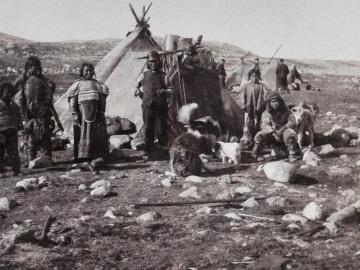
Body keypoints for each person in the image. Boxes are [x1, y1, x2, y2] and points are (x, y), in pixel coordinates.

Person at [14, 56, 60, 164]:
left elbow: (52, 86)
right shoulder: (23, 80)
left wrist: (46, 105)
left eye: (36, 66)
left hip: (43, 113)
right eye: (31, 66)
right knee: (29, 138)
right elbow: (13, 89)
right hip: (28, 113)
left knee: (45, 135)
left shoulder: (43, 80)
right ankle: (29, 159)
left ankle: (47, 157)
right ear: (27, 68)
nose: (34, 68)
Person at [66, 63, 109, 161]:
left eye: (90, 70)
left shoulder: (98, 84)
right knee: (83, 132)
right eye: (86, 70)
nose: (89, 72)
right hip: (82, 114)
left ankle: (97, 155)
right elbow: (73, 100)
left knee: (96, 132)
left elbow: (102, 99)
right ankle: (83, 155)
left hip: (96, 113)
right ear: (82, 72)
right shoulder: (77, 85)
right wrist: (74, 113)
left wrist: (102, 111)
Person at [135, 50, 172, 159]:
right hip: (147, 106)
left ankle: (164, 153)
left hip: (161, 106)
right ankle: (148, 153)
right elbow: (136, 86)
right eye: (151, 61)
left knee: (161, 129)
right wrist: (138, 93)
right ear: (148, 62)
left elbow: (172, 90)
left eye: (155, 61)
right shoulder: (144, 74)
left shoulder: (164, 75)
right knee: (148, 129)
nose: (153, 63)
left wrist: (164, 91)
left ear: (158, 62)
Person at [252, 92, 300, 162]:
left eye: (277, 101)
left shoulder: (286, 111)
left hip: (284, 133)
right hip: (272, 135)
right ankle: (255, 155)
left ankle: (292, 154)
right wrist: (273, 132)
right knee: (259, 135)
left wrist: (282, 129)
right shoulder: (266, 113)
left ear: (280, 102)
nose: (275, 103)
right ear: (269, 103)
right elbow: (265, 125)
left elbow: (292, 122)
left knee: (290, 133)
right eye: (273, 102)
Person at [239, 70, 269, 148]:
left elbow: (266, 96)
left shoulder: (262, 86)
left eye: (256, 76)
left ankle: (258, 140)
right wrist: (243, 104)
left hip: (259, 109)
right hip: (248, 108)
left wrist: (261, 105)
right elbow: (242, 95)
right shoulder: (246, 86)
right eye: (252, 76)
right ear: (249, 77)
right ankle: (249, 139)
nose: (254, 78)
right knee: (248, 123)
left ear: (259, 77)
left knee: (258, 123)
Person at [0, 82, 22, 176]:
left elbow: (19, 115)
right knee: (0, 152)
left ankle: (16, 170)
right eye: (7, 92)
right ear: (1, 93)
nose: (9, 94)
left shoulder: (14, 105)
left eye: (11, 93)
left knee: (14, 152)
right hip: (1, 132)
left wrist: (20, 124)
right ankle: (1, 171)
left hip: (12, 130)